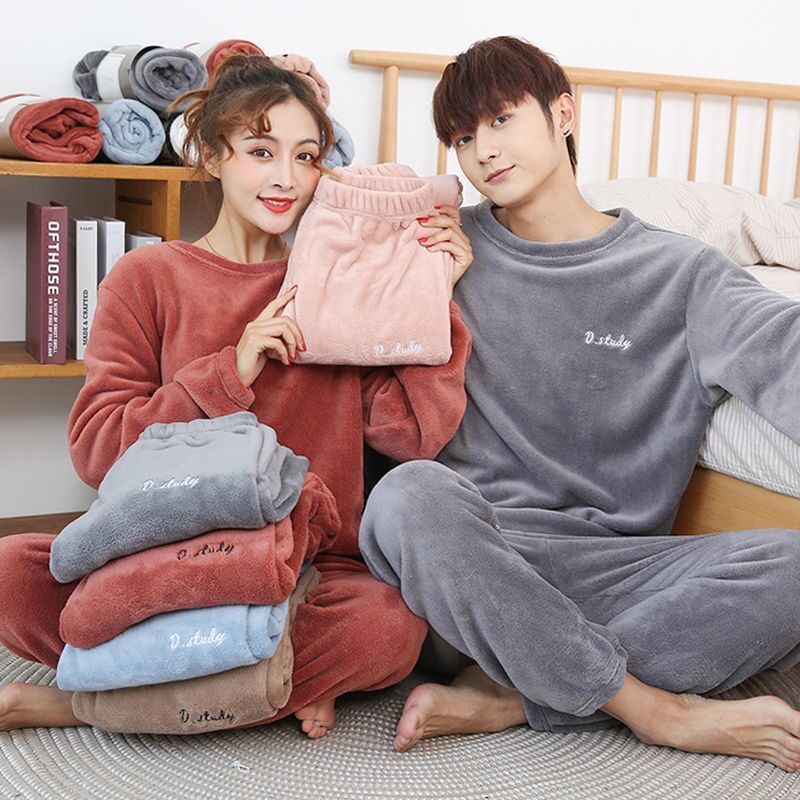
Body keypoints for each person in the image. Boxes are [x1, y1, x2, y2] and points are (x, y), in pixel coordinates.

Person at [359, 35, 800, 771]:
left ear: (563, 113)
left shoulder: (682, 273)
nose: (482, 152)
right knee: (408, 497)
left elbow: (783, 349)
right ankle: (653, 710)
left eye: (502, 120)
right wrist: (428, 292)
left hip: (618, 570)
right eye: (463, 138)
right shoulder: (441, 250)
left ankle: (519, 696)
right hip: (473, 565)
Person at [0, 55, 474, 738]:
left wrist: (434, 300)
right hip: (163, 563)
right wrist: (231, 371)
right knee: (11, 576)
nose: (286, 178)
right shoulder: (145, 278)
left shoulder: (338, 284)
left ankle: (88, 703)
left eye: (305, 157)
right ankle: (270, 685)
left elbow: (411, 436)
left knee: (391, 627)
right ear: (212, 154)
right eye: (260, 151)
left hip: (301, 570)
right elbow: (99, 451)